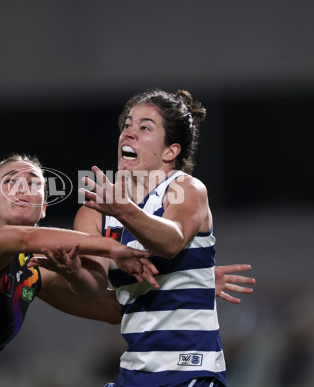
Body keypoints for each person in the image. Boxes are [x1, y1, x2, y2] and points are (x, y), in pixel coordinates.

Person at [0, 153, 252, 386]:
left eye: (32, 182)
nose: (21, 185)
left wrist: (185, 279)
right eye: (9, 181)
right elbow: (30, 240)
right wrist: (116, 249)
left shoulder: (34, 272)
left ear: (43, 207)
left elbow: (116, 309)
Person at [36, 89, 243, 387]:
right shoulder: (95, 212)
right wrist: (73, 272)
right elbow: (93, 288)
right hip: (133, 375)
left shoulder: (186, 189)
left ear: (170, 151)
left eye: (144, 127)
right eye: (127, 125)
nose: (128, 133)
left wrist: (123, 209)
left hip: (192, 373)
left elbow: (172, 241)